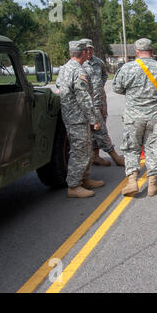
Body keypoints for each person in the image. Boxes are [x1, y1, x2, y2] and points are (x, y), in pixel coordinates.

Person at [113, 38, 157, 197]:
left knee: (132, 148)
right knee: (153, 148)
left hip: (133, 117)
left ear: (137, 52)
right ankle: (153, 183)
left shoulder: (127, 68)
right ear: (152, 51)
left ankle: (133, 181)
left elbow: (117, 88)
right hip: (154, 116)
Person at [56, 41, 104, 198]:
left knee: (85, 148)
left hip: (72, 115)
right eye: (86, 51)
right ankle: (74, 185)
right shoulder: (78, 71)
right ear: (83, 53)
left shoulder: (65, 68)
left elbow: (59, 86)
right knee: (80, 151)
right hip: (77, 117)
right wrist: (94, 118)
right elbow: (83, 97)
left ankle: (84, 178)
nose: (88, 53)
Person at [79, 38, 125, 167]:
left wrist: (100, 86)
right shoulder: (78, 65)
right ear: (81, 50)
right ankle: (115, 157)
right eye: (86, 49)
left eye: (91, 48)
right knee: (100, 131)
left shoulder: (98, 62)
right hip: (89, 103)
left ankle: (96, 156)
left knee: (100, 127)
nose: (89, 51)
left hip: (101, 101)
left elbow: (104, 75)